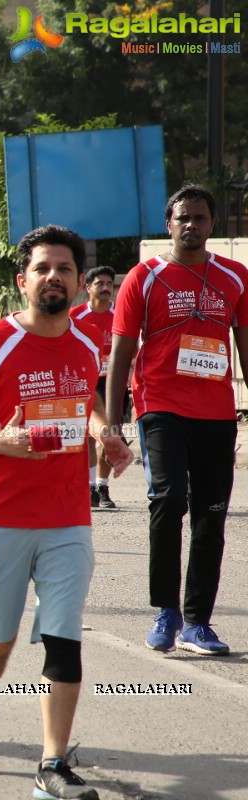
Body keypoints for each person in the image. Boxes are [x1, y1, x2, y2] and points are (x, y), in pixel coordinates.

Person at [0, 224, 133, 800]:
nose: (54, 277)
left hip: (68, 517)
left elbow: (85, 401)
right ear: (23, 282)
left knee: (63, 637)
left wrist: (105, 434)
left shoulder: (82, 343)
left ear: (77, 281)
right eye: (43, 268)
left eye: (64, 269)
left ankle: (52, 764)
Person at [107, 184, 248, 657]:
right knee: (168, 501)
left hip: (216, 412)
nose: (192, 225)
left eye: (201, 218)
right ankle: (165, 611)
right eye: (183, 217)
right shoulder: (142, 277)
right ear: (169, 223)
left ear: (213, 225)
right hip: (160, 405)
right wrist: (112, 424)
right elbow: (121, 355)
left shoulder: (235, 278)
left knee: (212, 514)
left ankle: (197, 624)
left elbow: (246, 351)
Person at [70, 266, 119, 509]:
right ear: (87, 288)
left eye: (109, 283)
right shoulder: (75, 317)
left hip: (112, 382)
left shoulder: (120, 314)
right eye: (100, 283)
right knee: (87, 437)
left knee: (110, 435)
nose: (106, 288)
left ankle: (103, 485)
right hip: (85, 383)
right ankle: (89, 487)